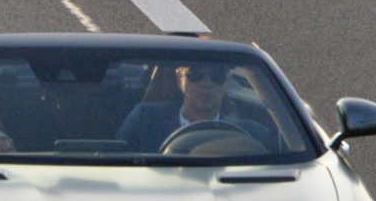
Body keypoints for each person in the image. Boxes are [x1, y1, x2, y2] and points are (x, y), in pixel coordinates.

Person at [116, 62, 279, 153]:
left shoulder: (255, 135)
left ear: (227, 83)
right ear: (180, 78)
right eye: (195, 75)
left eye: (216, 76)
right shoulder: (144, 121)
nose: (206, 84)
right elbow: (117, 165)